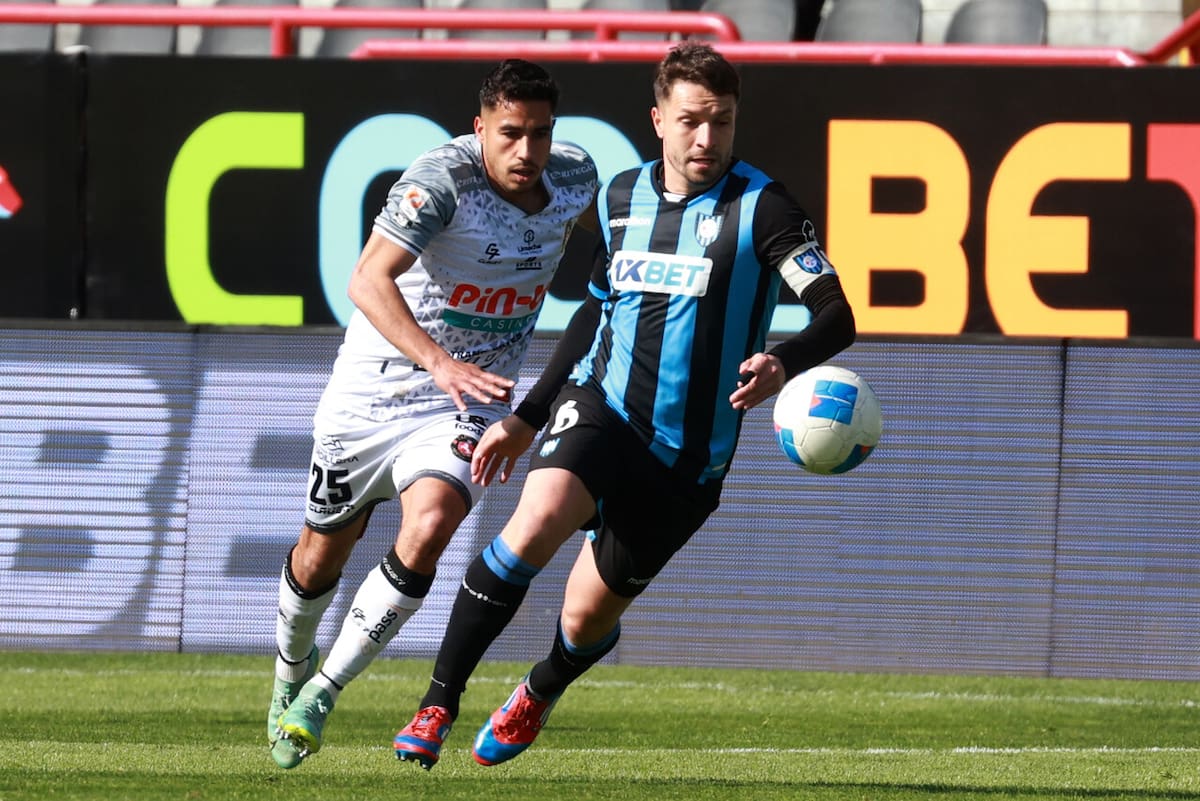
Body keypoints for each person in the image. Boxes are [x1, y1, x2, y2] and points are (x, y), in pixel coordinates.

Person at [392, 40, 855, 770]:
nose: (708, 138)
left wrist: (781, 360)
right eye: (693, 121)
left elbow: (837, 314)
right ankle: (437, 702)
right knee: (533, 523)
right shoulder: (619, 197)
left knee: (583, 619)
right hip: (601, 408)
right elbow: (593, 312)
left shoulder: (764, 207)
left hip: (688, 456)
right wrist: (527, 416)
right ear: (659, 121)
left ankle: (539, 689)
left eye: (723, 122)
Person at [267, 58, 598, 770]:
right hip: (373, 390)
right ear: (480, 129)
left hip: (470, 398)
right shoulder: (442, 179)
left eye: (540, 134)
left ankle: (322, 692)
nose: (527, 151)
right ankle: (291, 669)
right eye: (510, 133)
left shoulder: (576, 177)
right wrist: (437, 359)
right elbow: (366, 278)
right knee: (320, 554)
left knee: (435, 519)